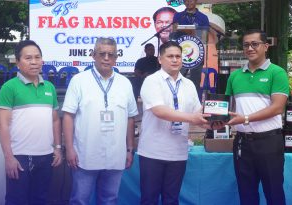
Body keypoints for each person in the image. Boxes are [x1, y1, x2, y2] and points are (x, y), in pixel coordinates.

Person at [62, 37, 138, 205]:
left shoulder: (125, 83)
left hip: (115, 155)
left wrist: (129, 149)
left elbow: (130, 117)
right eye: (102, 53)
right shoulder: (79, 81)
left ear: (116, 57)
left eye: (110, 54)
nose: (106, 58)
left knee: (110, 200)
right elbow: (68, 116)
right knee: (80, 200)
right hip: (85, 154)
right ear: (93, 55)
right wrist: (69, 149)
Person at [138, 41, 209, 205]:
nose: (175, 60)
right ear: (160, 59)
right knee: (149, 200)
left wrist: (212, 123)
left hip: (178, 152)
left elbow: (197, 113)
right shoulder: (152, 81)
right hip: (152, 153)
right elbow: (160, 111)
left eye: (178, 56)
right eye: (170, 56)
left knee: (171, 200)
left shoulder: (189, 84)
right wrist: (192, 118)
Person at [225, 29, 289, 205]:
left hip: (269, 142)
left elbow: (277, 108)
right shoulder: (235, 76)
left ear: (266, 46)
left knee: (274, 193)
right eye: (246, 45)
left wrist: (245, 118)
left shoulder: (277, 73)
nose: (250, 48)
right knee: (246, 195)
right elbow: (227, 108)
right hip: (242, 143)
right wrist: (213, 119)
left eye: (255, 44)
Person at [0, 40, 62, 204]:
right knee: (16, 200)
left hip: (46, 156)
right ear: (18, 63)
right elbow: (2, 125)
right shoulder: (9, 87)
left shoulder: (49, 87)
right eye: (28, 58)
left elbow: (55, 121)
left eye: (37, 57)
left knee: (40, 199)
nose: (34, 62)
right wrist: (9, 157)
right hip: (20, 157)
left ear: (42, 61)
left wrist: (58, 148)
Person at [172, 0, 210, 97]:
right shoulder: (178, 16)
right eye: (186, 0)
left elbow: (206, 37)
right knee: (178, 79)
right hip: (181, 52)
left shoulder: (203, 17)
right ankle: (177, 101)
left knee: (195, 81)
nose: (189, 2)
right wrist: (176, 29)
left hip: (197, 53)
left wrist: (195, 33)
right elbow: (173, 34)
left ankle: (195, 104)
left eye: (191, 0)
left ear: (196, 1)